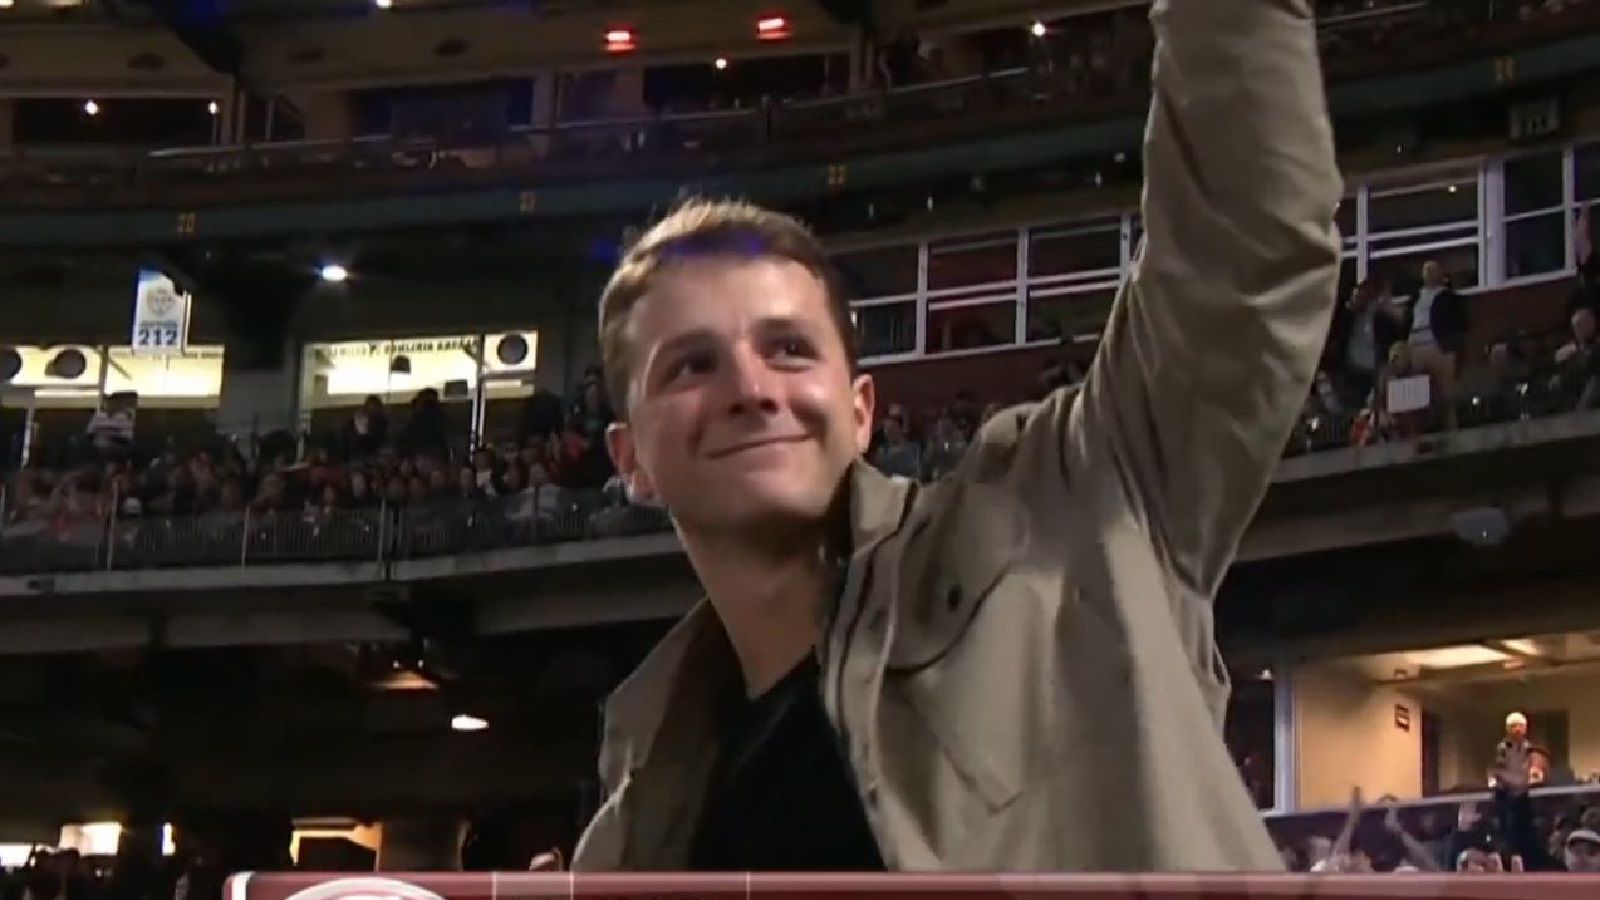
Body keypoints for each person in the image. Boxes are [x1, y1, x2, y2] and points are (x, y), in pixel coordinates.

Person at [573, 0, 1340, 873]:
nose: (751, 389)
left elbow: (1245, 249)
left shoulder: (1075, 504)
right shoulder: (632, 839)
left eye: (789, 349)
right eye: (691, 366)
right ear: (630, 459)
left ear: (861, 410)